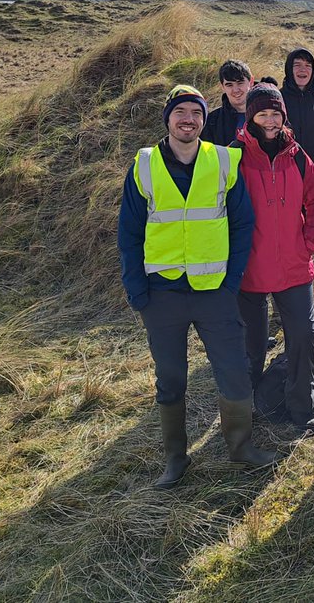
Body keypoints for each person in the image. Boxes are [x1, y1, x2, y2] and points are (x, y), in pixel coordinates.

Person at [118, 84, 278, 489]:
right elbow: (129, 233)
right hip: (162, 295)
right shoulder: (144, 164)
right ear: (168, 118)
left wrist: (232, 282)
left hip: (215, 294)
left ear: (204, 121)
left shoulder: (224, 161)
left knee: (234, 373)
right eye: (180, 112)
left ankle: (240, 449)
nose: (188, 119)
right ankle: (176, 459)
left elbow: (243, 225)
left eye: (196, 113)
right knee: (170, 378)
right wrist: (138, 292)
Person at [233, 84, 314, 430]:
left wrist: (307, 244)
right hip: (249, 271)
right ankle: (243, 413)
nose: (271, 121)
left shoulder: (298, 155)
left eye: (276, 113)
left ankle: (301, 411)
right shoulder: (234, 157)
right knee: (250, 347)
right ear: (251, 117)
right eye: (263, 113)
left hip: (293, 268)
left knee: (303, 337)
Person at [281, 47, 314, 174]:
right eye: (297, 65)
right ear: (289, 69)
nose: (303, 69)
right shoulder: (277, 100)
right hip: (284, 173)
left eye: (308, 65)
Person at [201, 59, 253, 146]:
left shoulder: (268, 115)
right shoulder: (211, 121)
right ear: (222, 87)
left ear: (251, 82)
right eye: (229, 85)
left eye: (240, 83)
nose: (236, 90)